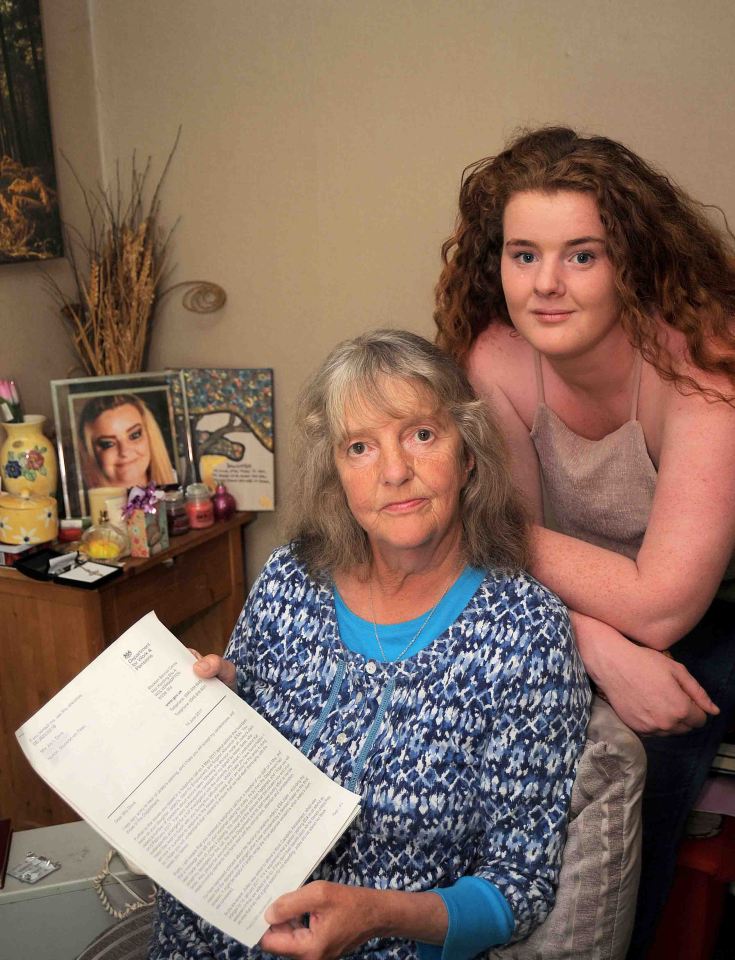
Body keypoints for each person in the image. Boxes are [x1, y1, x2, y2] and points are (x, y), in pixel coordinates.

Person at [150, 329, 591, 960]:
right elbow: (239, 777)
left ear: (467, 453)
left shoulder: (525, 633)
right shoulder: (287, 580)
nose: (393, 472)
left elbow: (518, 888)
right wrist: (213, 713)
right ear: (336, 472)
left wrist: (377, 914)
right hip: (198, 932)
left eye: (421, 434)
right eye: (360, 447)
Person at [433, 126, 735, 957]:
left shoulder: (702, 370)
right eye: (522, 254)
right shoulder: (494, 360)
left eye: (581, 255)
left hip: (717, 605)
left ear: (631, 263)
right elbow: (501, 564)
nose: (545, 286)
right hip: (589, 607)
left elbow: (666, 604)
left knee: (653, 729)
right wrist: (594, 644)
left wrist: (489, 533)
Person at [78, 393, 177, 489]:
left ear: (150, 437)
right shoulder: (81, 503)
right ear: (91, 452)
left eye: (134, 435)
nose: (124, 451)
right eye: (108, 444)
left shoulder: (178, 484)